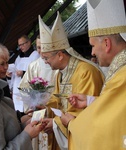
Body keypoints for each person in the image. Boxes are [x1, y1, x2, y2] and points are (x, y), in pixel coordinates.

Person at [60, 0, 126, 149]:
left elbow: (102, 132)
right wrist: (91, 101)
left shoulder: (122, 77)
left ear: (107, 44)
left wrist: (71, 123)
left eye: (93, 45)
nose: (92, 53)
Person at [38, 12, 104, 150]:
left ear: (60, 55)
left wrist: (55, 123)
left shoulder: (86, 72)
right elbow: (57, 100)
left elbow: (87, 111)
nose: (45, 62)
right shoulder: (60, 73)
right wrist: (43, 109)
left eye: (46, 58)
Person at [0, 40, 46, 150]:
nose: (5, 68)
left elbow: (4, 131)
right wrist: (27, 135)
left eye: (6, 63)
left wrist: (24, 124)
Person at [19, 35, 59, 150]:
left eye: (43, 47)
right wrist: (33, 103)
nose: (41, 51)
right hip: (38, 112)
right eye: (38, 47)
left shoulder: (57, 66)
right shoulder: (33, 66)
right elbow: (24, 87)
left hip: (53, 111)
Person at [7, 35, 39, 112]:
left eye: (23, 44)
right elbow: (15, 73)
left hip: (28, 89)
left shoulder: (36, 55)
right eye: (19, 45)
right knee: (17, 109)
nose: (21, 47)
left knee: (27, 109)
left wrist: (23, 73)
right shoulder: (18, 58)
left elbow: (37, 72)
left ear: (29, 42)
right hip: (17, 88)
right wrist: (10, 75)